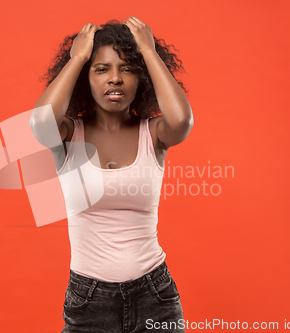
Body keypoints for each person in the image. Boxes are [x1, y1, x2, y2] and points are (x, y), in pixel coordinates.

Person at [30, 17, 194, 333]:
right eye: (101, 69)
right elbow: (39, 124)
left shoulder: (154, 133)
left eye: (128, 69)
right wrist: (77, 57)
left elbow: (182, 121)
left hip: (155, 294)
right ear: (84, 78)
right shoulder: (67, 134)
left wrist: (148, 51)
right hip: (88, 300)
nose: (115, 79)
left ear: (142, 78)